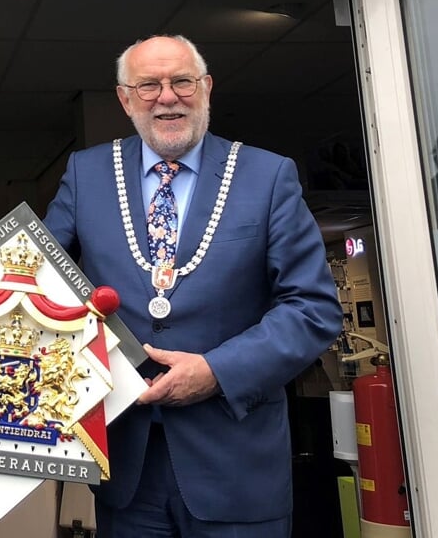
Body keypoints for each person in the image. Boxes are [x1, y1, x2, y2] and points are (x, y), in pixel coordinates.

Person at [44, 35, 343, 538]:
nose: (167, 96)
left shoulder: (267, 175)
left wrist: (216, 371)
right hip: (126, 468)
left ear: (205, 88)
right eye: (149, 85)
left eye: (181, 81)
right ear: (124, 98)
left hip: (237, 466)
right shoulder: (87, 172)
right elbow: (37, 285)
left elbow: (313, 309)